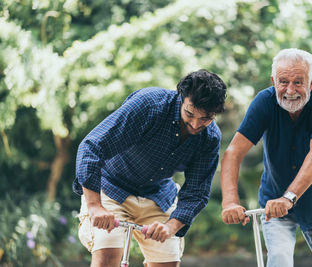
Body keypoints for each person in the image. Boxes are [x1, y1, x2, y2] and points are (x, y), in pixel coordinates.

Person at [73, 69, 227, 267]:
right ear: (182, 97)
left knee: (167, 262)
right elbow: (92, 146)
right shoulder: (149, 104)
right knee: (107, 254)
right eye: (189, 113)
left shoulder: (210, 137)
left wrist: (170, 227)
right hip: (111, 187)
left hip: (158, 195)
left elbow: (197, 192)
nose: (196, 124)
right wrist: (95, 206)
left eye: (206, 118)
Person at [220, 48, 312, 267]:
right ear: (273, 81)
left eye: (298, 82)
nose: (290, 90)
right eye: (283, 81)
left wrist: (288, 198)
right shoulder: (264, 102)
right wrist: (230, 201)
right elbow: (233, 152)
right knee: (279, 260)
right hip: (274, 202)